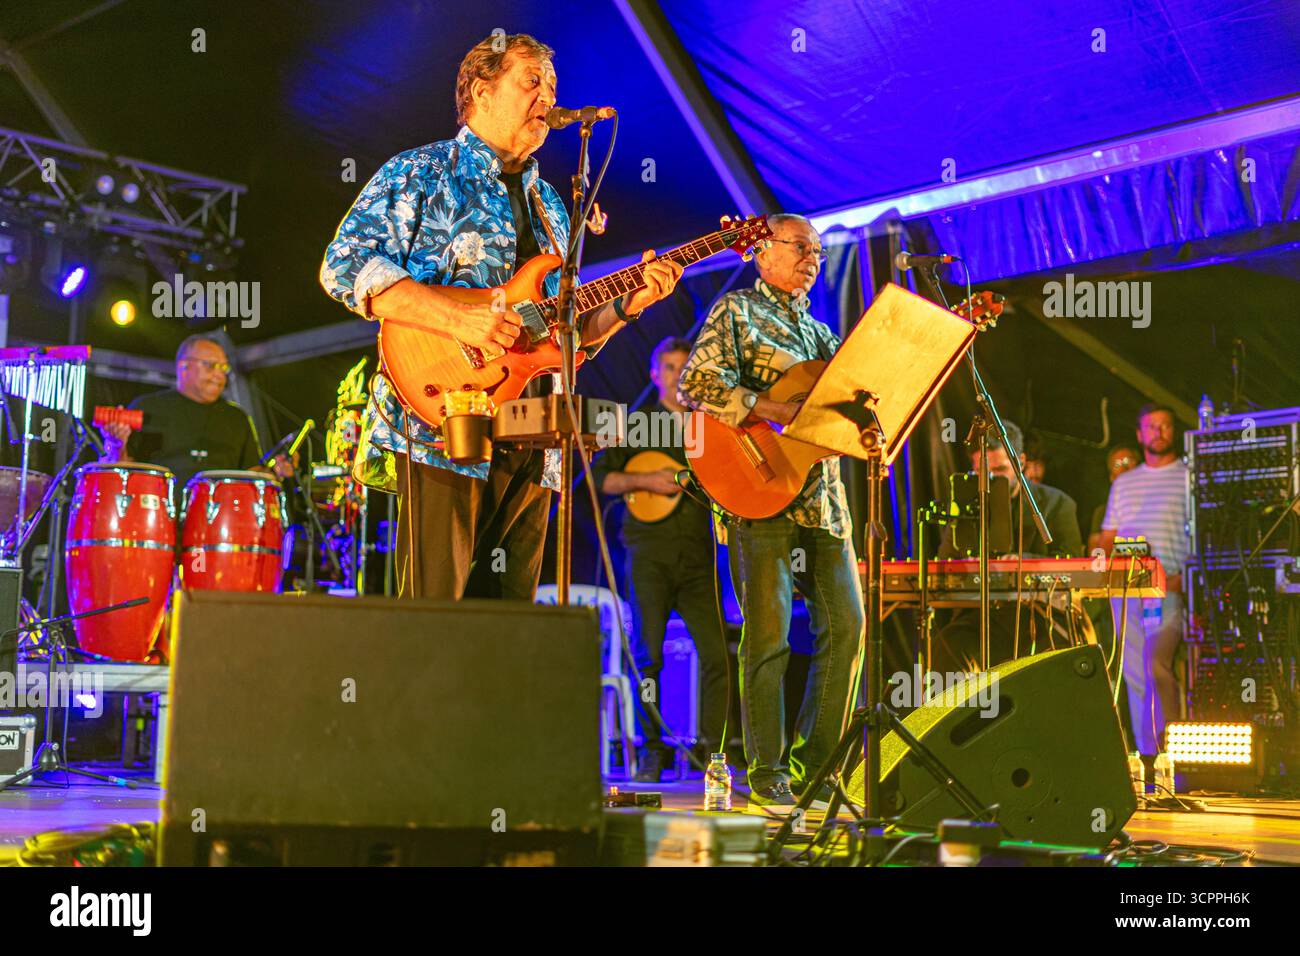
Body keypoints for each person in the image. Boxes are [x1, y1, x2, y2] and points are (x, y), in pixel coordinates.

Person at [320, 33, 681, 601]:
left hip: (533, 432)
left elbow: (561, 335)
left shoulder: (554, 206)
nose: (548, 96)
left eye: (553, 86)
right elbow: (345, 268)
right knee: (436, 619)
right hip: (442, 418)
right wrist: (460, 321)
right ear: (481, 94)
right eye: (531, 81)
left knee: (506, 624)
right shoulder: (420, 172)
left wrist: (624, 307)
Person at [677, 213, 863, 810]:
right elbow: (695, 384)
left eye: (819, 252)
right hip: (757, 491)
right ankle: (767, 769)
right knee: (770, 636)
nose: (813, 257)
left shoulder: (825, 339)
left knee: (849, 627)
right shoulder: (735, 313)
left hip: (823, 503)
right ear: (763, 253)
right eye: (801, 247)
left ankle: (820, 766)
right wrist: (766, 407)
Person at [592, 337, 729, 782]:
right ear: (655, 374)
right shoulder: (634, 424)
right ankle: (651, 750)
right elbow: (601, 480)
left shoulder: (708, 427)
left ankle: (713, 754)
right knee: (647, 654)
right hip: (648, 553)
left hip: (700, 557)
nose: (676, 374)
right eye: (668, 367)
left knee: (717, 656)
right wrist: (648, 478)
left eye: (683, 367)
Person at [933, 420, 1083, 670]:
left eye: (1001, 471)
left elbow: (1072, 568)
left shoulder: (1057, 504)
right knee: (947, 645)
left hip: (1042, 616)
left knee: (1056, 654)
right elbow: (945, 566)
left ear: (1021, 463)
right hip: (980, 617)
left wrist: (1025, 563)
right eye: (983, 472)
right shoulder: (965, 507)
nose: (991, 480)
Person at [1096, 404, 1189, 757]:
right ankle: (1148, 754)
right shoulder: (1124, 482)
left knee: (1155, 663)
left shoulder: (1187, 475)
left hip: (1170, 588)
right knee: (1133, 670)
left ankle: (1173, 749)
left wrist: (1186, 579)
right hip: (1127, 589)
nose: (1159, 432)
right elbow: (1109, 536)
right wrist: (1103, 567)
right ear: (1139, 434)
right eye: (1152, 427)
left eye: (1165, 426)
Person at [98, 334, 292, 490]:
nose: (219, 374)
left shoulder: (237, 417)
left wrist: (275, 469)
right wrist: (116, 445)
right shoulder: (147, 407)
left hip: (223, 525)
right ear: (183, 366)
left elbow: (250, 473)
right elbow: (121, 472)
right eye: (210, 365)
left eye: (224, 368)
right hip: (155, 520)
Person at [1087, 444, 1139, 552]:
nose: (1124, 468)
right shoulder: (1103, 512)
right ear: (1112, 477)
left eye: (1128, 461)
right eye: (1117, 464)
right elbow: (1095, 552)